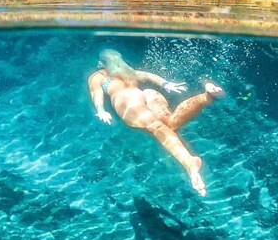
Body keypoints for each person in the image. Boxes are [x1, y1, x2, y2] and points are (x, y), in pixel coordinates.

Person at [88, 49, 224, 197]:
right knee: (170, 123)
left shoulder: (97, 76)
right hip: (147, 95)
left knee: (158, 126)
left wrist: (101, 109)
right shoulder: (128, 71)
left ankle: (189, 163)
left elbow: (96, 93)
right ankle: (205, 98)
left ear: (101, 63)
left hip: (129, 104)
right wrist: (165, 84)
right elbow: (147, 75)